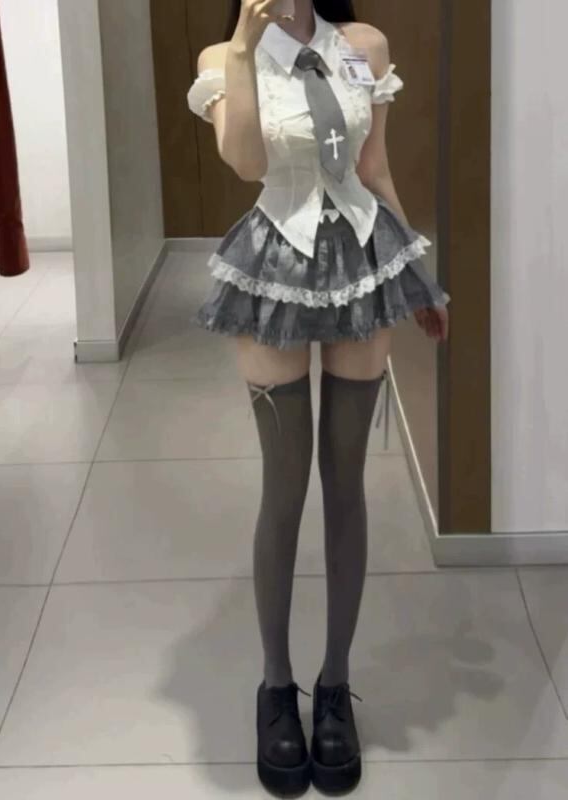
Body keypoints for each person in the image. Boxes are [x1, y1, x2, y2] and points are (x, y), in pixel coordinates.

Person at [187, 0, 450, 795]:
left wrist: (418, 276)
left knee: (345, 485)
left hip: (362, 262)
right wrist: (243, 43)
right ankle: (276, 686)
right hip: (272, 265)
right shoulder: (220, 58)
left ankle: (334, 683)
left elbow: (374, 169)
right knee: (284, 488)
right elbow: (243, 163)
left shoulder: (364, 45)